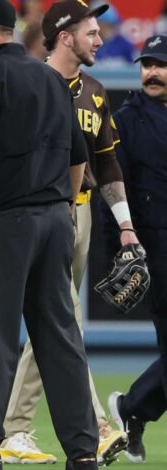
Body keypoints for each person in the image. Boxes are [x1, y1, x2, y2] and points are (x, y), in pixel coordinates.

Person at [0, 0, 98, 468]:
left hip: (6, 222)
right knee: (61, 338)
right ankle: (83, 452)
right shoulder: (50, 77)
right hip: (52, 219)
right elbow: (77, 155)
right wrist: (64, 209)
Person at [0, 1, 134, 466]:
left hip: (81, 216)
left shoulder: (95, 91)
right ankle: (93, 426)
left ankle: (15, 429)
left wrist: (127, 227)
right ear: (64, 35)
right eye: (91, 32)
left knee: (53, 324)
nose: (100, 40)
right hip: (39, 214)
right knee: (65, 320)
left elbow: (107, 164)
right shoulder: (29, 83)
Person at [107, 34, 167, 465]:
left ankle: (133, 409)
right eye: (147, 63)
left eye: (161, 64)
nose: (153, 72)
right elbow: (116, 184)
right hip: (156, 244)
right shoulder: (127, 117)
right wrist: (123, 248)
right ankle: (133, 409)